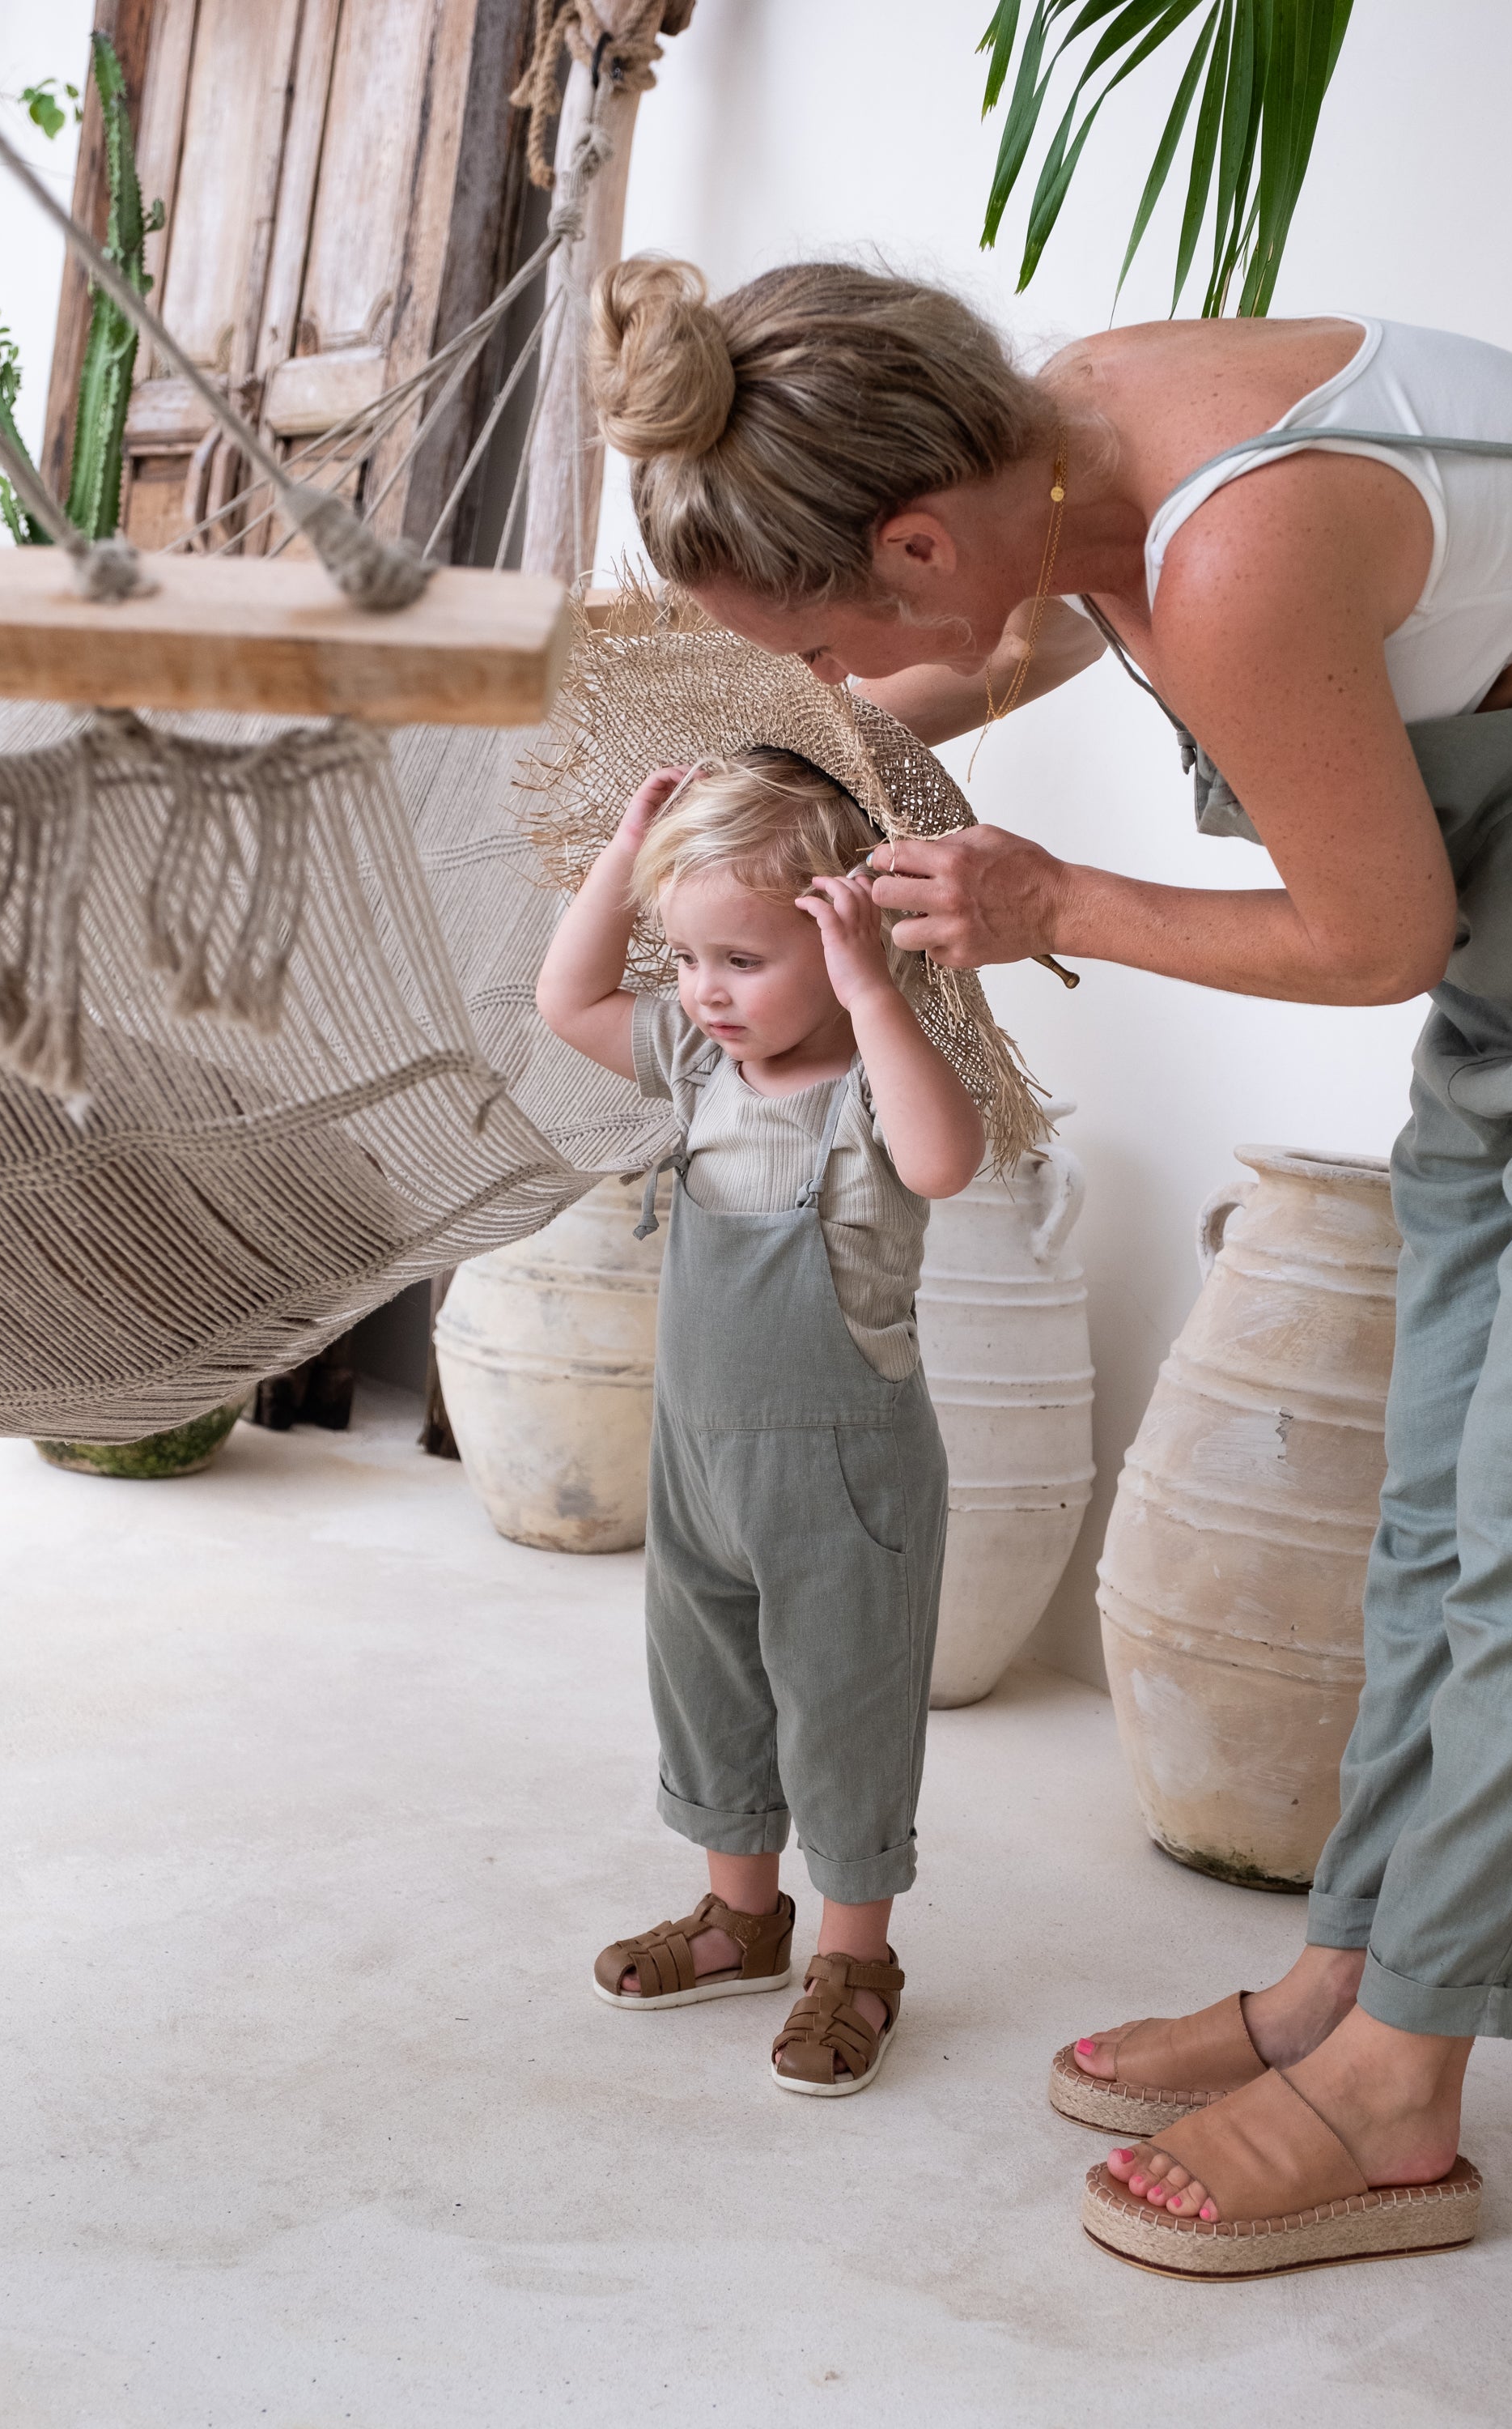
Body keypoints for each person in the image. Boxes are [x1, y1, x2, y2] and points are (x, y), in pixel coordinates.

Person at [582, 252, 1512, 2271]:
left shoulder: (1239, 547)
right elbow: (992, 644)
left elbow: (1374, 937)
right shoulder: (1065, 436)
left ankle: (1401, 2093)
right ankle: (1351, 1981)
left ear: (918, 535)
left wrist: (1057, 898)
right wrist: (767, 794)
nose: (847, 691)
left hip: (1495, 935)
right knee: (1432, 1513)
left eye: (830, 645)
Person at [535, 742, 986, 2095]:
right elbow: (565, 1000)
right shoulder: (698, 1068)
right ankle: (742, 1913)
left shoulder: (869, 1089)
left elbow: (945, 1161)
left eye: (741, 960)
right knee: (710, 1685)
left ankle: (859, 1956)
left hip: (845, 1486)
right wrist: (629, 862)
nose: (703, 994)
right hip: (700, 1463)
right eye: (685, 960)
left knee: (843, 1704)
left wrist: (871, 990)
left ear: (837, 935)